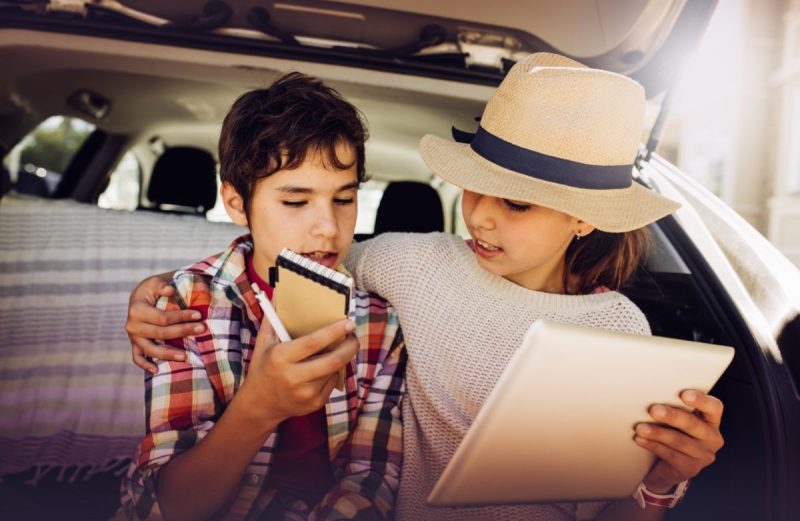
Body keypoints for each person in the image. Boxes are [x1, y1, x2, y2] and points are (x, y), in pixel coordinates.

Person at [125, 53, 725, 521]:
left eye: (515, 203)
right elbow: (293, 257)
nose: (481, 218)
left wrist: (662, 483)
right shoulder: (412, 267)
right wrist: (159, 287)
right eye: (473, 187)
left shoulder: (621, 331)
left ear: (584, 217)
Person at [118, 72, 406, 521]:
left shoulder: (381, 321)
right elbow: (170, 506)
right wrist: (258, 405)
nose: (328, 228)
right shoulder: (184, 306)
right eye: (296, 202)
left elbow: (369, 482)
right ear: (235, 204)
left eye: (345, 200)